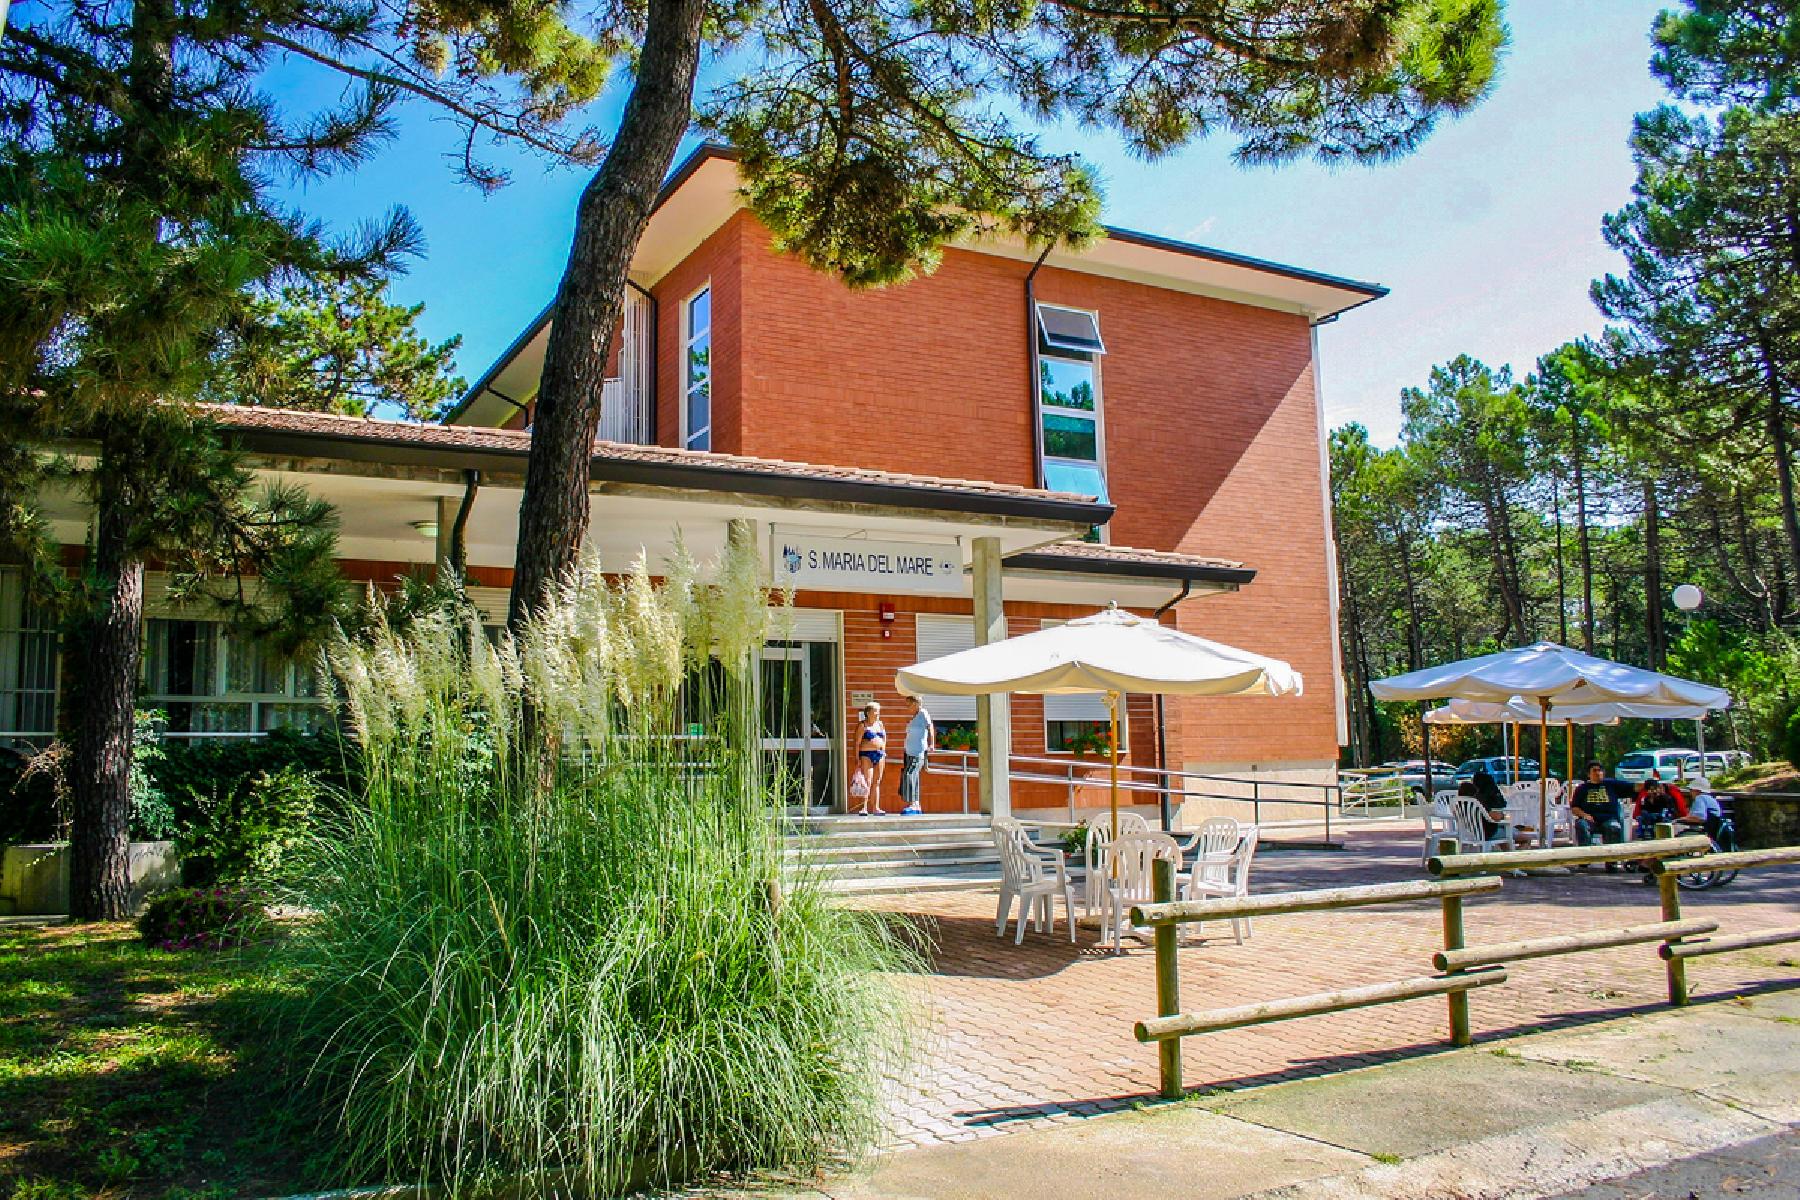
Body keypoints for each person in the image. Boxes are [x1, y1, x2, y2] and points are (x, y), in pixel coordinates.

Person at [1570, 760, 1630, 871]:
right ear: (1588, 774)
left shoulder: (1611, 785)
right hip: (1589, 819)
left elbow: (1633, 787)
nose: (1598, 773)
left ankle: (1611, 861)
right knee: (1581, 824)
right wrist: (1584, 815)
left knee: (1614, 827)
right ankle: (1584, 859)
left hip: (1608, 819)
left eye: (1600, 770)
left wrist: (1649, 784)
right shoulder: (1582, 788)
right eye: (1594, 771)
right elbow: (1574, 808)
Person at [898, 694, 933, 815]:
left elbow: (930, 727)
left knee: (910, 774)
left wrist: (932, 743)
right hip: (909, 752)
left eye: (909, 705)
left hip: (917, 752)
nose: (907, 708)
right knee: (914, 777)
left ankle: (913, 804)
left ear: (916, 704)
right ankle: (916, 805)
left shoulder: (923, 713)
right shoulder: (915, 717)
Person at [851, 701, 888, 815]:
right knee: (867, 781)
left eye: (878, 711)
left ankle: (876, 808)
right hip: (866, 755)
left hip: (879, 754)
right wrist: (857, 759)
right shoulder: (863, 725)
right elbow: (857, 743)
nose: (878, 713)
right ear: (868, 712)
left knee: (877, 781)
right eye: (875, 711)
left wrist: (883, 751)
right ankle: (864, 808)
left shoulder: (880, 724)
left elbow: (884, 739)